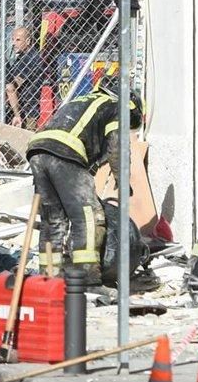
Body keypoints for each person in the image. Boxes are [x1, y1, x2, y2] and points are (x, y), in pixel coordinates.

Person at [26, 80, 142, 293]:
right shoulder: (118, 107)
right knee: (89, 217)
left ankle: (49, 280)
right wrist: (122, 181)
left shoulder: (88, 100)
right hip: (65, 152)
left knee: (52, 222)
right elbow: (117, 147)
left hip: (38, 150)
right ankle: (87, 279)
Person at [6, 25, 49, 129]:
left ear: (28, 41)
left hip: (27, 110)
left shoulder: (30, 59)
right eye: (13, 40)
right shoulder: (22, 57)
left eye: (18, 40)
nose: (14, 43)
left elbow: (14, 85)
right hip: (21, 107)